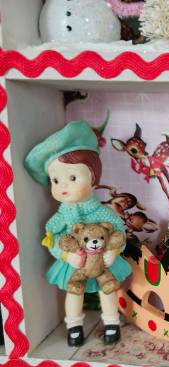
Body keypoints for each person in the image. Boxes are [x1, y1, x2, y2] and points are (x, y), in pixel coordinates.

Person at [25, 121, 131, 346]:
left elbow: (119, 231)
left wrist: (113, 251)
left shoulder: (102, 212)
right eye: (55, 180)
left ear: (93, 177)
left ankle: (111, 322)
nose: (62, 186)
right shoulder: (61, 217)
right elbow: (52, 238)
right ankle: (74, 326)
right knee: (74, 291)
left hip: (102, 261)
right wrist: (65, 255)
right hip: (75, 262)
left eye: (72, 178)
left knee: (107, 289)